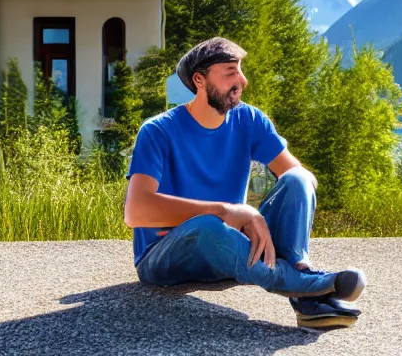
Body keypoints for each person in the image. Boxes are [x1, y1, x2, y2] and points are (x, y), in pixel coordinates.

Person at [124, 37, 366, 328]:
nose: (242, 80)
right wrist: (229, 212)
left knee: (297, 179)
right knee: (208, 225)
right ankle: (308, 284)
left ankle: (303, 279)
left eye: (240, 70)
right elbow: (135, 212)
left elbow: (302, 179)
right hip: (164, 258)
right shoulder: (158, 131)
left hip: (228, 252)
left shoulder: (249, 120)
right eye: (230, 72)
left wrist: (258, 221)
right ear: (199, 79)